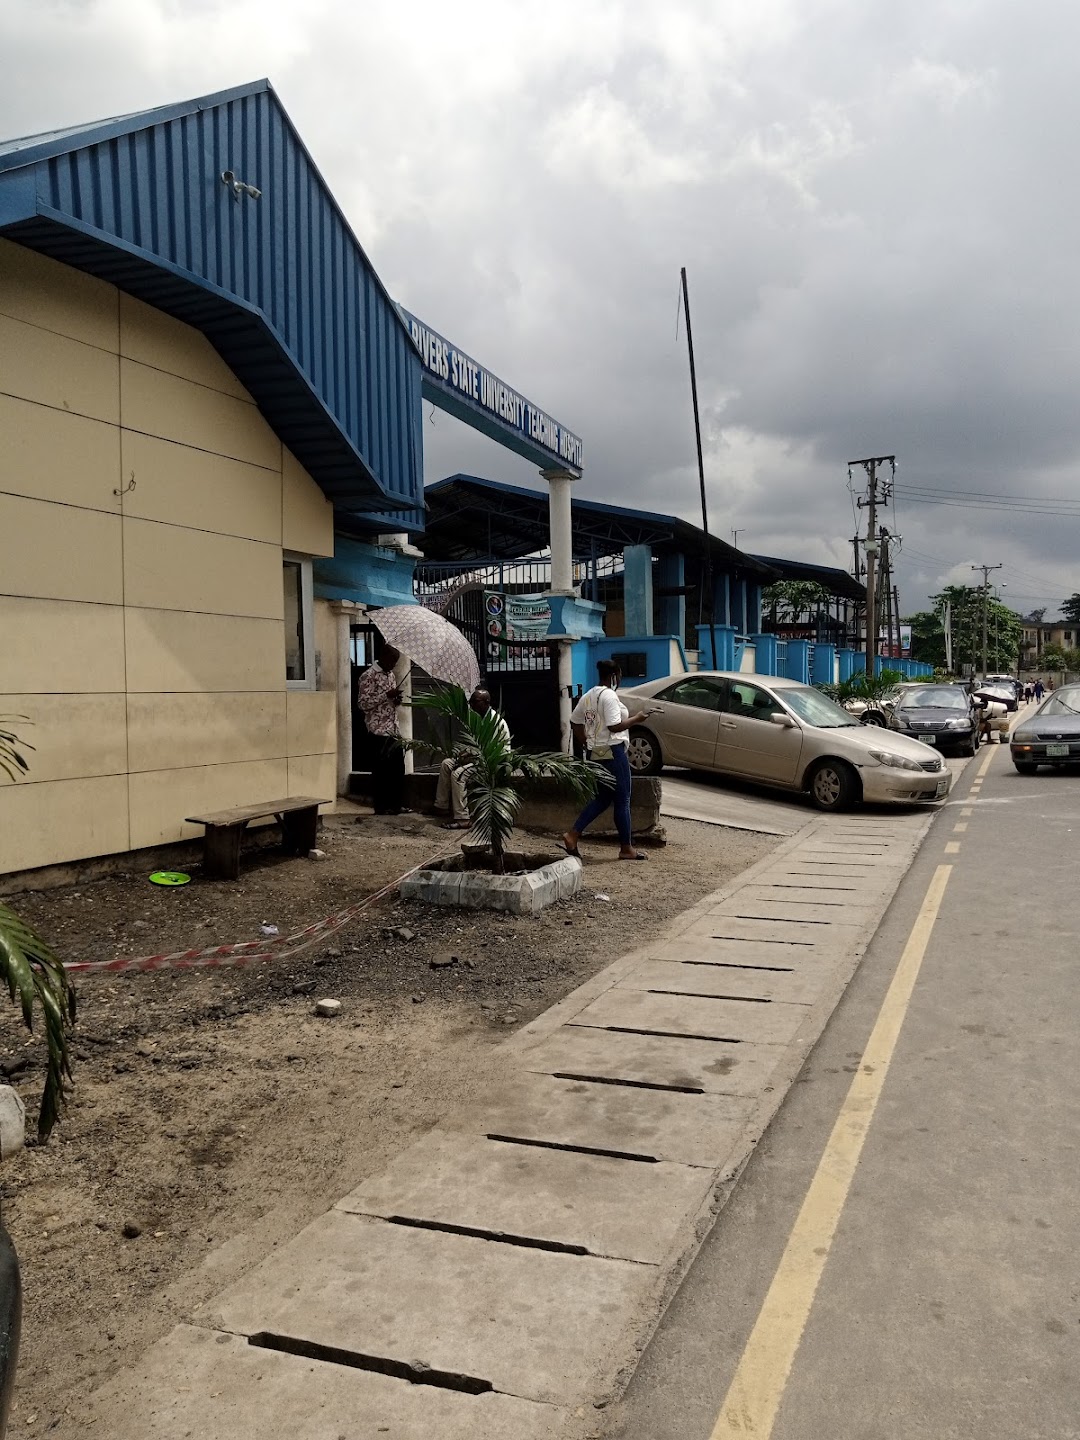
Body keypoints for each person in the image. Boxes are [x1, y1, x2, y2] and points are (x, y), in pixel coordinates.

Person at [562, 660, 651, 861]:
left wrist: (585, 741)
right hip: (613, 752)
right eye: (618, 676)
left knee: (603, 798)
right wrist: (637, 719)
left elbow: (575, 721)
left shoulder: (587, 696)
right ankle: (626, 848)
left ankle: (573, 835)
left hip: (596, 753)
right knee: (623, 799)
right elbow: (615, 726)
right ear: (614, 675)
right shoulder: (609, 695)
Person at [434, 688, 510, 829]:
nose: (471, 705)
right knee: (446, 764)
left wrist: (470, 758)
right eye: (471, 702)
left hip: (492, 763)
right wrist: (464, 753)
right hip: (479, 759)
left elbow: (490, 752)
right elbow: (475, 744)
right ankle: (441, 806)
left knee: (458, 774)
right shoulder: (477, 718)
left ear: (486, 702)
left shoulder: (495, 722)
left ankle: (463, 818)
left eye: (475, 702)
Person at [358, 643, 406, 815]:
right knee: (381, 771)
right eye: (393, 661)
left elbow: (390, 702)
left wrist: (395, 700)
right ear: (384, 657)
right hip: (378, 730)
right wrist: (386, 696)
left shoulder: (391, 675)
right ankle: (381, 806)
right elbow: (363, 704)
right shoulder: (368, 676)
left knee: (398, 769)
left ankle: (396, 804)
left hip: (393, 728)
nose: (394, 665)